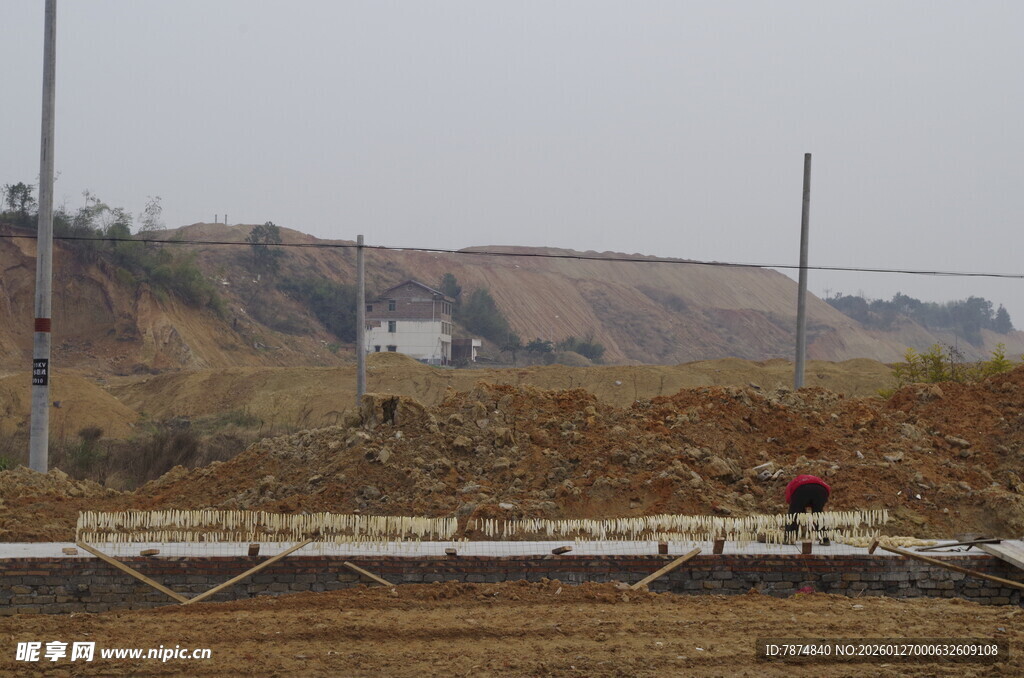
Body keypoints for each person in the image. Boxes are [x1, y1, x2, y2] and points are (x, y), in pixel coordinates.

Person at [785, 474, 831, 545]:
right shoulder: (816, 480)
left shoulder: (791, 485)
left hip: (802, 489)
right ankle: (825, 539)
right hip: (822, 490)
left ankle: (789, 538)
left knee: (793, 515)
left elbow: (790, 501)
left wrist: (797, 510)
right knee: (818, 515)